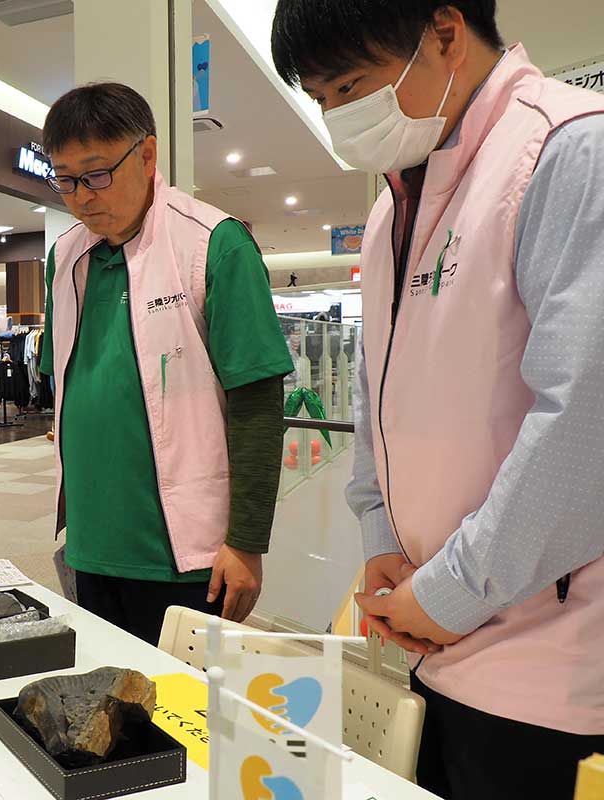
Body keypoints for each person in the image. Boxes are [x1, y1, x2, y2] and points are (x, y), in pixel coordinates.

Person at [271, 2, 604, 797]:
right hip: (428, 637)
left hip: (543, 665)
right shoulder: (396, 202)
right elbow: (377, 395)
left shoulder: (569, 150)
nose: (337, 117)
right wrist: (381, 536)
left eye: (350, 85)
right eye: (320, 98)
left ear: (445, 34)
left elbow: (584, 425)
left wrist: (451, 591)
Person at [39, 82, 294, 645]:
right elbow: (66, 383)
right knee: (104, 691)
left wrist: (247, 541)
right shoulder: (64, 257)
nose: (81, 197)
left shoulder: (213, 244)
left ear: (147, 154)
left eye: (96, 174)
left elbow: (257, 403)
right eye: (65, 179)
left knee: (183, 698)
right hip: (91, 542)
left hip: (187, 553)